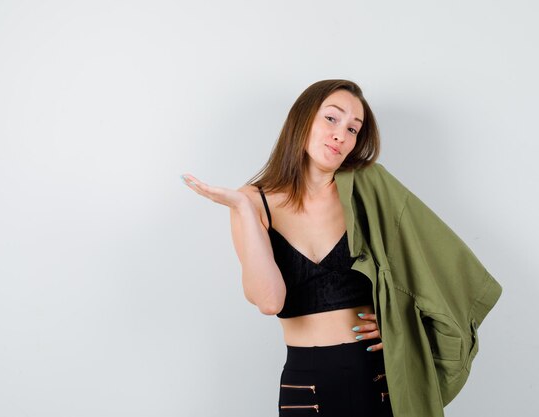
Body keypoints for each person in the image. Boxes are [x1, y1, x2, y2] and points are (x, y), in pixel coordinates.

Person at [181, 79, 502, 417]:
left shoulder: (370, 187)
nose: (341, 135)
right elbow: (269, 300)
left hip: (378, 380)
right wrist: (244, 209)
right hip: (306, 389)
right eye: (332, 119)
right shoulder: (251, 202)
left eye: (353, 128)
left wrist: (397, 321)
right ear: (302, 119)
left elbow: (440, 267)